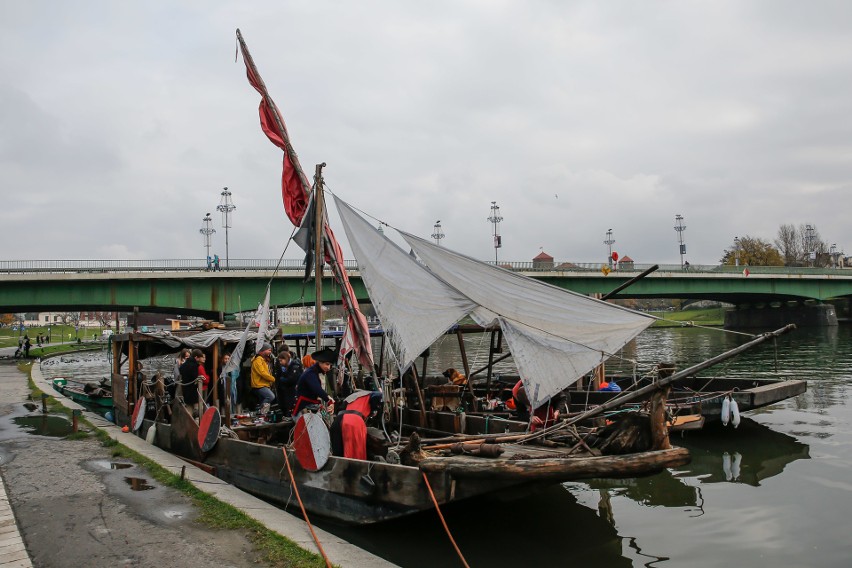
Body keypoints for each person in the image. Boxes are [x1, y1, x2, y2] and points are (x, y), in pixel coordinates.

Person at [330, 390, 383, 460]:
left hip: (337, 421)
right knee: (355, 456)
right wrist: (375, 408)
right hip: (353, 422)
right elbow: (378, 395)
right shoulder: (369, 394)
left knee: (338, 454)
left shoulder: (351, 397)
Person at [293, 348, 336, 415]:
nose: (329, 368)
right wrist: (329, 401)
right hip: (302, 408)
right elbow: (317, 389)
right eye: (327, 364)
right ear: (320, 362)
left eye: (330, 365)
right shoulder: (310, 373)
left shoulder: (315, 371)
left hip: (312, 406)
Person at [274, 350, 302, 415]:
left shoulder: (294, 367)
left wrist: (282, 379)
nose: (280, 363)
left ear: (285, 359)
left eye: (281, 361)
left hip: (292, 390)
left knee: (290, 405)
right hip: (287, 390)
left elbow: (292, 379)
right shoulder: (286, 367)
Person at [251, 343, 276, 414]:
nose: (270, 352)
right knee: (271, 396)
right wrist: (273, 379)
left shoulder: (263, 360)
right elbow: (262, 373)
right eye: (269, 350)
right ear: (263, 351)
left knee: (264, 400)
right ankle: (260, 411)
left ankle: (261, 414)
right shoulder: (258, 360)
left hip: (264, 384)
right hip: (259, 385)